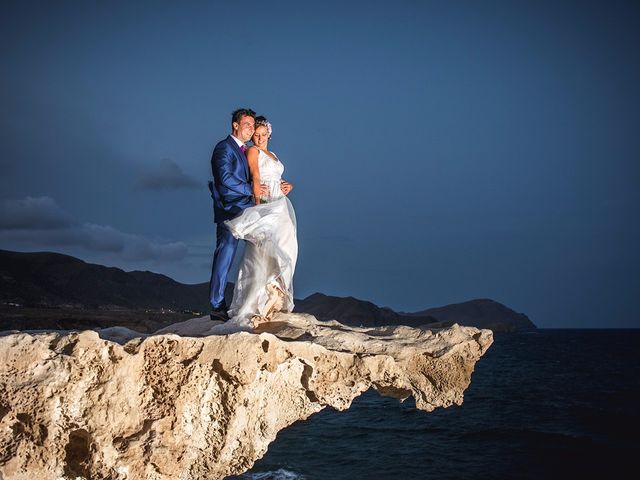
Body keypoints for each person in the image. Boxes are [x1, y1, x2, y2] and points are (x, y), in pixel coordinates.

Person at [215, 116, 297, 332]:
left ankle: (275, 295)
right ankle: (254, 302)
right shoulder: (253, 151)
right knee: (261, 254)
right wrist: (258, 207)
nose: (258, 138)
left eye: (262, 134)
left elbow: (276, 177)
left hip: (282, 205)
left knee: (286, 248)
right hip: (267, 205)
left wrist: (288, 186)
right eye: (255, 134)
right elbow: (257, 177)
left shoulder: (274, 154)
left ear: (269, 133)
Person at [208, 108, 268, 321]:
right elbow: (225, 179)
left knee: (266, 248)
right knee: (225, 254)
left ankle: (260, 300)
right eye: (247, 125)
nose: (251, 129)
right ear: (235, 125)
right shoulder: (223, 148)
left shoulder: (247, 150)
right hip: (230, 211)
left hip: (250, 210)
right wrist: (251, 190)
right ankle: (216, 305)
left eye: (253, 125)